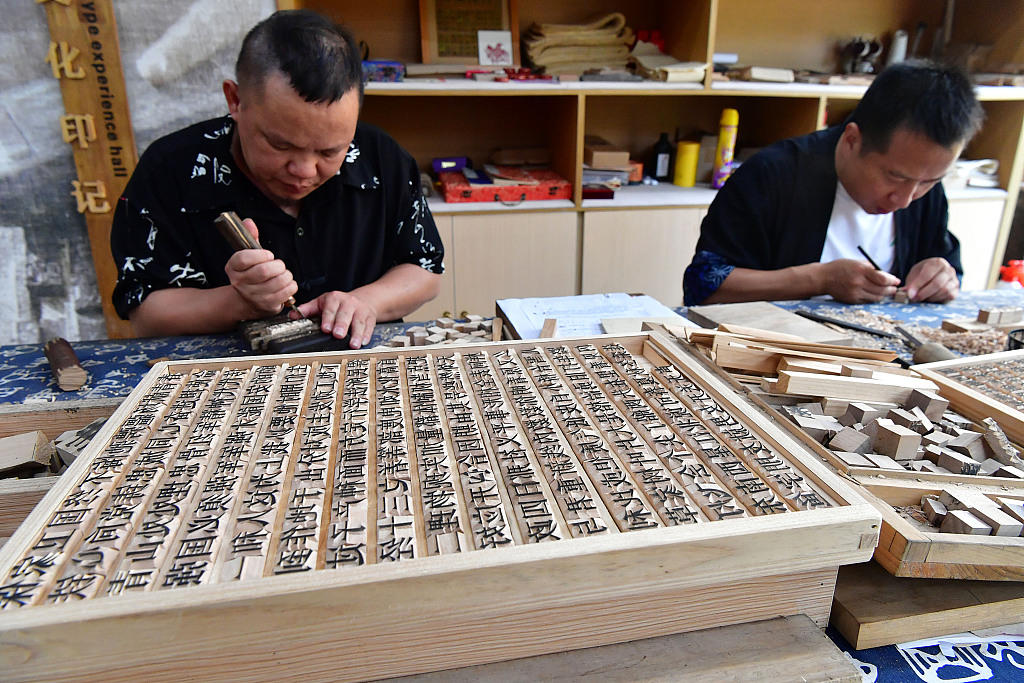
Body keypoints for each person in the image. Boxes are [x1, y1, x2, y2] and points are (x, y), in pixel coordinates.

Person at [111, 10, 444, 348]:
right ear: (236, 100)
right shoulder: (170, 171)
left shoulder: (381, 158)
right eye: (280, 144)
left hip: (363, 375)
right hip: (229, 382)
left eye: (329, 152)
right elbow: (145, 314)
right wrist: (237, 303)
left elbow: (425, 270)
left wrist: (365, 302)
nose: (304, 171)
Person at [683, 61, 985, 307]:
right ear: (852, 140)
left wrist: (942, 277)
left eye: (929, 182)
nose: (906, 199)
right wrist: (817, 280)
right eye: (895, 177)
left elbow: (945, 263)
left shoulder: (922, 187)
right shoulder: (771, 175)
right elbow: (703, 285)